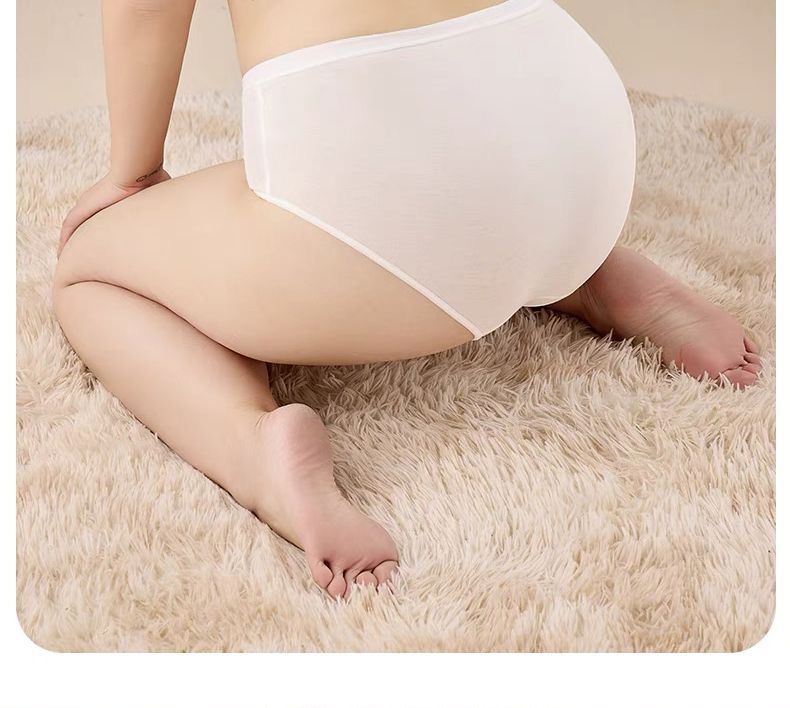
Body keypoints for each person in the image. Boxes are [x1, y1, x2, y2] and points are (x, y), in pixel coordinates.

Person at [52, 0, 762, 600]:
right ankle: (591, 271)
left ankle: (251, 443)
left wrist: (132, 173)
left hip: (393, 188)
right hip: (576, 121)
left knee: (93, 267)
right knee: (432, 162)